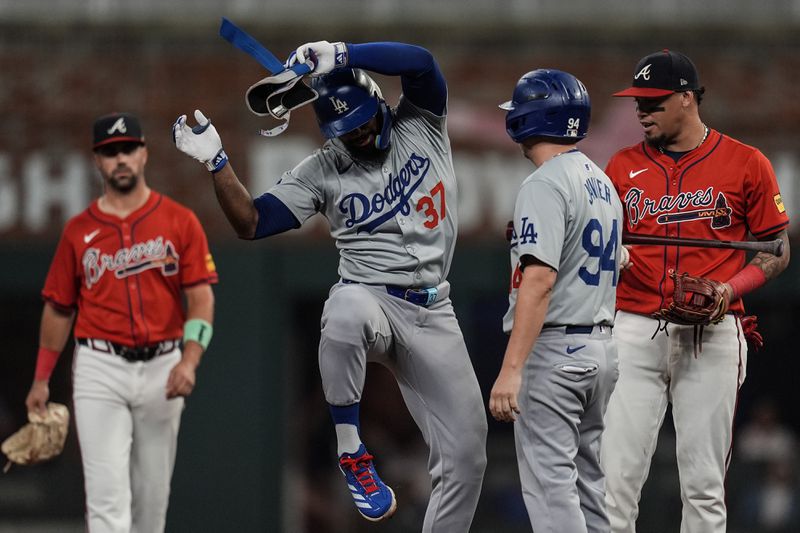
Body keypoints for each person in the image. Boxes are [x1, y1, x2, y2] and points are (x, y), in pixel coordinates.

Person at [172, 41, 487, 529]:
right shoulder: (324, 167)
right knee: (344, 311)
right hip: (373, 300)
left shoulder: (421, 121)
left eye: (363, 120)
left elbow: (422, 62)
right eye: (347, 129)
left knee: (468, 455)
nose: (359, 133)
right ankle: (351, 451)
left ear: (380, 104)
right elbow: (251, 222)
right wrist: (218, 164)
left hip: (432, 309)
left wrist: (344, 53)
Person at [600, 49, 791, 532]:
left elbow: (777, 247)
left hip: (711, 335)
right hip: (635, 329)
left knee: (704, 489)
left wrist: (731, 288)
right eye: (637, 102)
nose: (641, 111)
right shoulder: (620, 166)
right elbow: (595, 241)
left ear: (687, 98)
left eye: (654, 102)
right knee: (613, 483)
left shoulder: (747, 162)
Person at [25, 112, 218, 533]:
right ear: (97, 161)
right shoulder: (78, 231)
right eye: (111, 153)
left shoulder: (180, 221)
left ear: (144, 153)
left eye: (128, 149)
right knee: (107, 501)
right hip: (100, 367)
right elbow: (59, 307)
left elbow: (201, 296)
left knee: (151, 503)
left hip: (164, 365)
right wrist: (41, 379)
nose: (121, 159)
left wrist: (190, 360)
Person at [489, 69, 623, 532]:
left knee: (551, 491)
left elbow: (540, 279)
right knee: (588, 488)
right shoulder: (601, 181)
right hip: (602, 351)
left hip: (557, 350)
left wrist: (511, 369)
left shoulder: (544, 184)